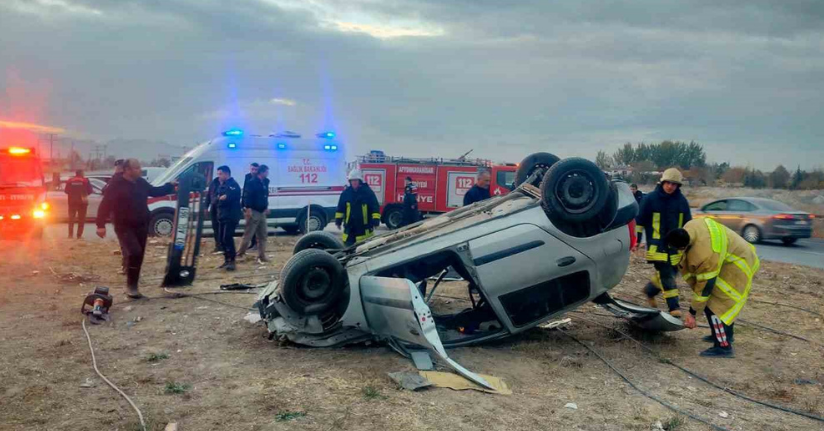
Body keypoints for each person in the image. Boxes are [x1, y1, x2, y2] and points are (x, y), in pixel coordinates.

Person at [665, 217, 760, 358]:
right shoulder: (691, 225)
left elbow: (705, 289)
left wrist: (692, 313)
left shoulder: (705, 255)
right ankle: (724, 334)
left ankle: (723, 346)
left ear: (683, 247)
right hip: (731, 254)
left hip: (738, 263)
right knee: (721, 303)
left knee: (715, 305)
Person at [96, 159, 176, 298]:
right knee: (134, 251)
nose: (140, 170)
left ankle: (133, 287)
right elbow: (105, 205)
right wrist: (100, 225)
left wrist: (170, 186)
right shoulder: (116, 184)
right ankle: (130, 286)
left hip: (141, 223)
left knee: (139, 255)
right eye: (136, 168)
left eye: (139, 167)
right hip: (124, 225)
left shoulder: (141, 182)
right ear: (127, 170)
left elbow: (155, 191)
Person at [636, 168, 692, 317]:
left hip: (675, 248)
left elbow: (688, 225)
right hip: (657, 246)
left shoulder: (682, 202)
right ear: (662, 182)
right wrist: (637, 239)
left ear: (678, 186)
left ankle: (649, 290)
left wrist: (688, 244)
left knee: (671, 273)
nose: (670, 186)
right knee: (666, 274)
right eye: (668, 183)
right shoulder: (650, 199)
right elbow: (639, 220)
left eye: (674, 184)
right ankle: (674, 307)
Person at [335, 169, 380, 246]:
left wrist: (376, 220)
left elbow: (374, 206)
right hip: (350, 228)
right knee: (348, 251)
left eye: (356, 180)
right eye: (352, 180)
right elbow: (340, 208)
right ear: (350, 181)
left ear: (360, 181)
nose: (354, 182)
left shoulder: (367, 192)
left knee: (364, 251)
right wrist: (338, 221)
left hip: (364, 228)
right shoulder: (346, 193)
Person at [237, 164, 270, 264]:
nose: (268, 173)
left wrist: (266, 207)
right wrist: (248, 208)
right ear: (262, 172)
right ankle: (240, 253)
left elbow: (265, 196)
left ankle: (262, 255)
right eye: (266, 171)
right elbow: (247, 196)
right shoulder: (252, 182)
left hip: (262, 211)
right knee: (249, 234)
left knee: (263, 235)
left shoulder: (265, 182)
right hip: (254, 211)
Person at [214, 165, 242, 271]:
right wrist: (219, 199)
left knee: (227, 237)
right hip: (222, 216)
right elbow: (215, 199)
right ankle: (226, 260)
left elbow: (228, 199)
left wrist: (222, 199)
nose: (219, 176)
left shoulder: (233, 185)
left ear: (226, 174)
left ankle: (232, 261)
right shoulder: (221, 185)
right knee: (221, 239)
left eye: (220, 174)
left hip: (231, 215)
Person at [64, 169, 93, 239]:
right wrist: (84, 194)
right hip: (83, 202)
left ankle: (70, 235)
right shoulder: (85, 181)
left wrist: (73, 195)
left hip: (72, 202)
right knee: (81, 219)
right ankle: (79, 235)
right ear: (81, 173)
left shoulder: (70, 181)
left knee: (71, 219)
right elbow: (90, 190)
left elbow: (66, 190)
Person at [204, 174, 224, 254]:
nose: (219, 175)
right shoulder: (214, 182)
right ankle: (218, 246)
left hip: (222, 208)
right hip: (213, 207)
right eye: (218, 173)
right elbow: (209, 195)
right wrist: (206, 207)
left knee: (222, 228)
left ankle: (222, 246)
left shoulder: (227, 184)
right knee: (215, 227)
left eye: (220, 173)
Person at [631, 183, 644, 248]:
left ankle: (638, 241)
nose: (632, 191)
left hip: (638, 215)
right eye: (631, 189)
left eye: (633, 189)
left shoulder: (640, 195)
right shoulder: (628, 195)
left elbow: (641, 204)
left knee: (639, 229)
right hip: (631, 214)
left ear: (636, 189)